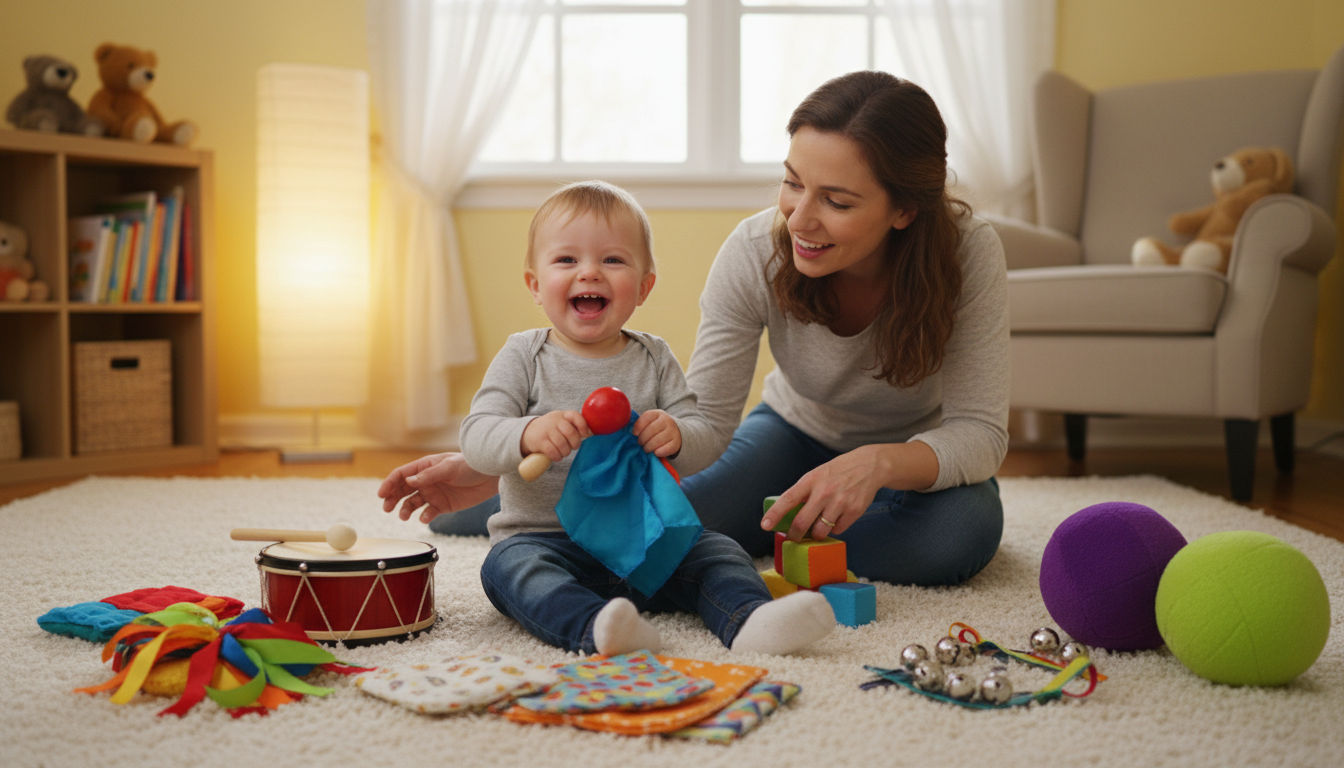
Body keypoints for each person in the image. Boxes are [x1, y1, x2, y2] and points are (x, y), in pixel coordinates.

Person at [380, 71, 1007, 590]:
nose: (800, 219)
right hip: (792, 435)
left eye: (837, 202)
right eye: (792, 183)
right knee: (656, 521)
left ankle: (784, 526)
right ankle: (509, 491)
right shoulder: (755, 250)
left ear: (904, 210)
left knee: (958, 538)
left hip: (908, 452)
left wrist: (875, 466)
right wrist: (504, 456)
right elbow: (698, 419)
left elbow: (980, 432)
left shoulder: (970, 252)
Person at [443, 180, 835, 657]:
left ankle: (750, 621)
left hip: (644, 537)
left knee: (718, 550)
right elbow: (477, 436)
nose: (590, 273)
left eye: (613, 260)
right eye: (567, 260)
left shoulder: (654, 358)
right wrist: (527, 433)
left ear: (644, 286)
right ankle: (599, 628)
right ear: (535, 285)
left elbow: (705, 437)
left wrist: (676, 435)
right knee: (506, 569)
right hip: (546, 541)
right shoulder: (524, 355)